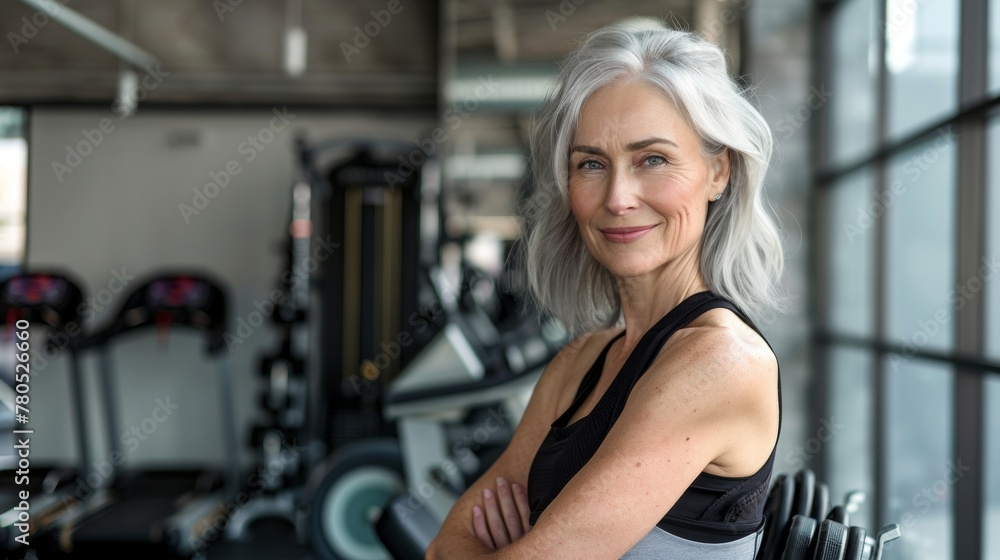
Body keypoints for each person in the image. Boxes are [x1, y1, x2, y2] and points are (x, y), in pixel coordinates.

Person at [426, 22, 785, 560]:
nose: (618, 197)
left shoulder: (722, 361)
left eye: (653, 159)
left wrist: (523, 539)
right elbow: (446, 545)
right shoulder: (579, 362)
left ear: (718, 171)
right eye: (591, 163)